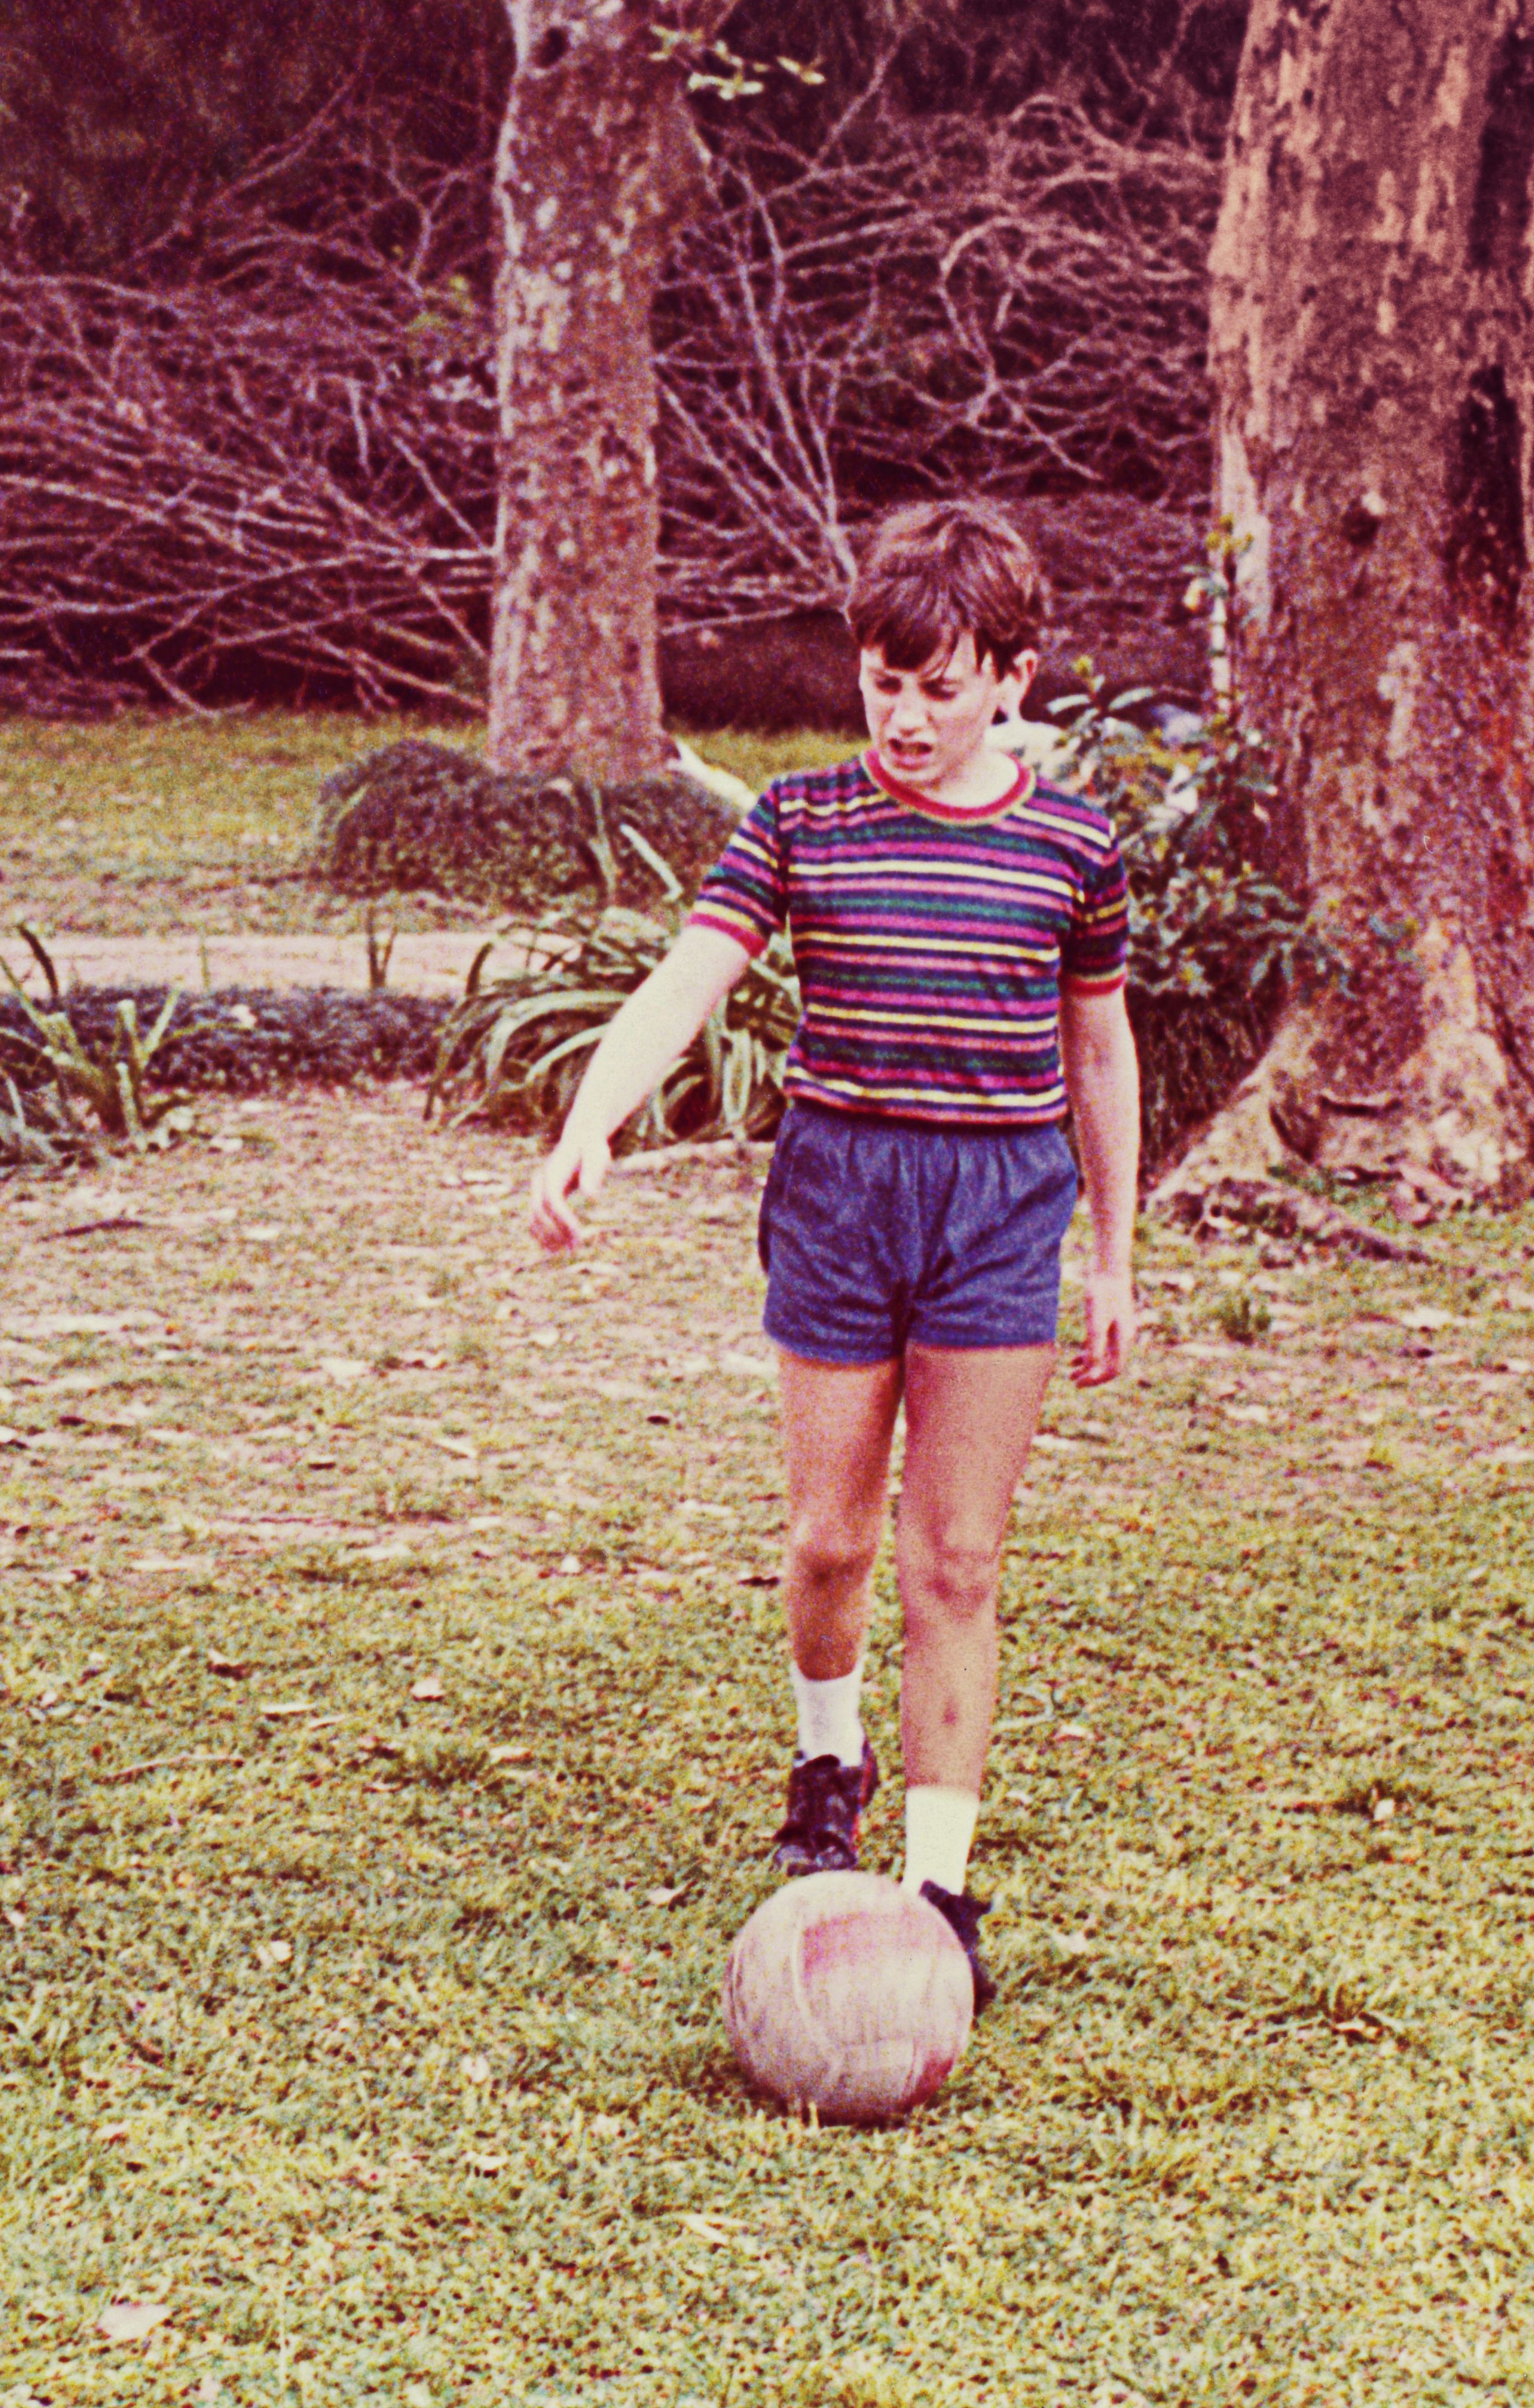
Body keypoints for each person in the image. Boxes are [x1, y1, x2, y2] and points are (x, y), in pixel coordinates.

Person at [526, 501, 1139, 2008]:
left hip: (997, 1207)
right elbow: (688, 978)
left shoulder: (1069, 843)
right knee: (829, 1544)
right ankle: (826, 1759)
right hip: (837, 1198)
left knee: (956, 1560)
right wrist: (589, 1120)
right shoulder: (799, 822)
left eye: (940, 687)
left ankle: (934, 1882)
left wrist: (1117, 1254)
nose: (907, 717)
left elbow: (1100, 1051)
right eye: (882, 682)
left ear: (1010, 676)